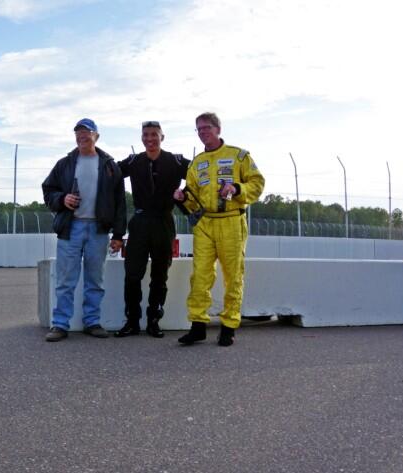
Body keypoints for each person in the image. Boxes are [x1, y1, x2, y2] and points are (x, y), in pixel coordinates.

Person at [174, 112, 264, 346]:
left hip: (232, 220)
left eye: (207, 128)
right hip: (205, 223)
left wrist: (235, 188)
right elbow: (193, 199)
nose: (203, 132)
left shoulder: (239, 156)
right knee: (200, 275)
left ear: (218, 129)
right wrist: (182, 198)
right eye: (199, 129)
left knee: (233, 276)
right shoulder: (196, 163)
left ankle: (229, 326)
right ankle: (198, 326)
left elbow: (257, 183)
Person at [42, 118, 126, 342]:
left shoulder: (109, 165)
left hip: (99, 229)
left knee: (95, 280)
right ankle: (60, 324)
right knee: (65, 279)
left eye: (86, 133)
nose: (82, 136)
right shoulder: (65, 163)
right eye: (78, 133)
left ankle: (92, 321)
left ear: (96, 136)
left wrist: (118, 234)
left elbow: (120, 203)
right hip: (72, 228)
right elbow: (48, 190)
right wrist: (62, 198)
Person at [115, 121, 189, 338]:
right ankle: (132, 321)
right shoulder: (134, 161)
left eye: (154, 135)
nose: (150, 139)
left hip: (164, 222)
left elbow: (200, 175)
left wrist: (184, 195)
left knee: (160, 275)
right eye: (146, 135)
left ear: (162, 137)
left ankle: (154, 320)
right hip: (139, 223)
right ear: (141, 138)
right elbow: (109, 174)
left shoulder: (176, 161)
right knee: (132, 275)